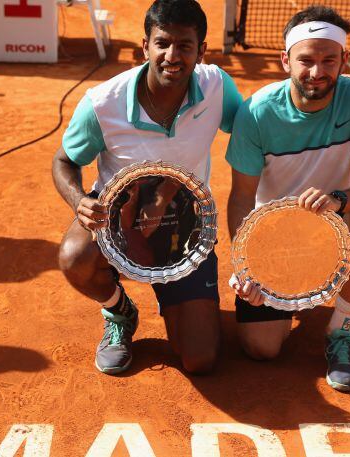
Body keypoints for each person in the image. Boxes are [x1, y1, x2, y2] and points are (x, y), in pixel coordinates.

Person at [53, 0, 243, 375]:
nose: (173, 56)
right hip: (116, 221)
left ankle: (177, 299)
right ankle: (119, 311)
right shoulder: (102, 103)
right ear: (146, 46)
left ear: (201, 51)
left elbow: (254, 132)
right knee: (75, 256)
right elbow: (64, 161)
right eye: (163, 43)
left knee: (200, 359)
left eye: (185, 45)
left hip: (185, 230)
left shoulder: (217, 87)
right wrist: (79, 202)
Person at [225, 5, 350, 391]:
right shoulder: (257, 112)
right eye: (307, 60)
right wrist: (246, 265)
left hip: (332, 230)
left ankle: (341, 332)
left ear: (344, 60)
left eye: (329, 60)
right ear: (286, 61)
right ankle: (293, 294)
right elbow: (240, 199)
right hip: (272, 245)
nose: (317, 72)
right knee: (261, 348)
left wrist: (338, 198)